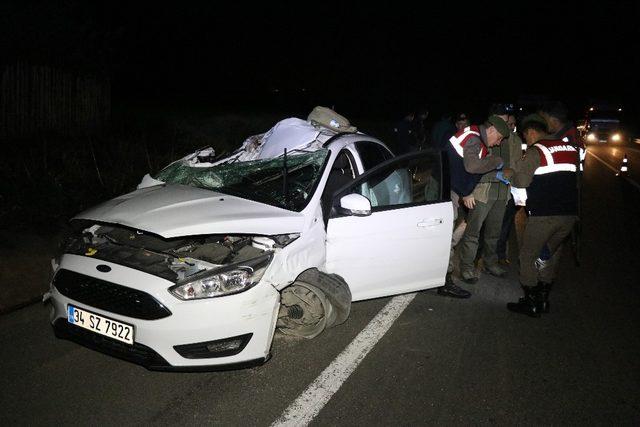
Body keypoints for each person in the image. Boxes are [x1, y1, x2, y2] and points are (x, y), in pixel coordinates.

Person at [506, 119, 579, 317]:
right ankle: (544, 299)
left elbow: (521, 181)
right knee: (545, 254)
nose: (525, 140)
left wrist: (512, 174)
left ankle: (531, 303)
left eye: (525, 136)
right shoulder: (571, 148)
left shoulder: (536, 151)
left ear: (530, 132)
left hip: (544, 215)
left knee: (528, 256)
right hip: (569, 215)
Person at [437, 115, 509, 297]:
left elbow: (463, 168)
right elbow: (470, 166)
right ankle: (444, 281)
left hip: (450, 186)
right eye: (499, 138)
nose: (498, 143)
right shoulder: (474, 139)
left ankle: (441, 277)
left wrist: (467, 190)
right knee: (445, 236)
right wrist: (496, 162)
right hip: (447, 189)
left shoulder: (475, 136)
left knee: (448, 232)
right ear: (491, 129)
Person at [456, 110, 512, 283]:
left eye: (508, 122)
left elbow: (514, 166)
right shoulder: (479, 140)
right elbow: (472, 169)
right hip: (482, 190)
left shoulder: (513, 140)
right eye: (500, 121)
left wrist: (511, 175)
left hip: (502, 192)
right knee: (473, 232)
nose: (506, 123)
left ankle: (490, 263)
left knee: (494, 233)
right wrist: (469, 191)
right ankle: (466, 267)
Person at [496, 113, 528, 264]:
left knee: (506, 224)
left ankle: (501, 255)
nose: (512, 127)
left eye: (514, 124)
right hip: (495, 186)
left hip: (511, 188)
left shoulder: (517, 140)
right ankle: (484, 255)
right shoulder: (497, 139)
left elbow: (519, 163)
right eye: (509, 124)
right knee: (492, 223)